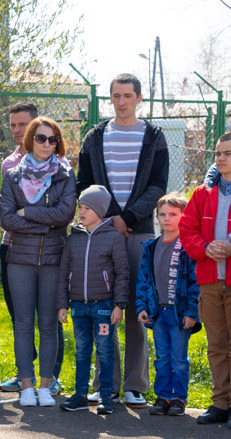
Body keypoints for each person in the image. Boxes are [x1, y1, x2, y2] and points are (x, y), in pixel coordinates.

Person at [76, 73, 169, 408]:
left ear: (139, 98)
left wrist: (127, 218)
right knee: (106, 309)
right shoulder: (95, 136)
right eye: (116, 96)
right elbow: (84, 183)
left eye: (128, 95)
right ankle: (107, 384)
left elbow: (159, 186)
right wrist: (111, 216)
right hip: (103, 232)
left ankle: (134, 385)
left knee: (136, 309)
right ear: (110, 98)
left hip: (139, 230)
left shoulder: (154, 137)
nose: (121, 101)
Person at [0, 116, 77, 408]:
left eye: (52, 139)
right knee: (23, 324)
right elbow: (6, 219)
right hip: (19, 260)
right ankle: (27, 386)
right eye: (41, 138)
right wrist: (46, 221)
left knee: (47, 325)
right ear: (30, 139)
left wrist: (26, 214)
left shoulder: (65, 175)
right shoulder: (13, 175)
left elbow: (64, 215)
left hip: (54, 259)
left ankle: (46, 386)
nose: (47, 144)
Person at [57, 186, 129, 415]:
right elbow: (63, 273)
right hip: (78, 306)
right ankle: (79, 395)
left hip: (104, 307)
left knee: (105, 350)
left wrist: (120, 305)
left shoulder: (114, 239)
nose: (82, 212)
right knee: (81, 350)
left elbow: (122, 273)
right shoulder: (73, 239)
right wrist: (62, 304)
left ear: (99, 210)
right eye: (81, 207)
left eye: (88, 208)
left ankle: (106, 396)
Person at [179, 132, 231, 425]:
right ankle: (220, 404)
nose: (221, 158)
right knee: (217, 345)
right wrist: (205, 248)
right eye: (217, 153)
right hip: (210, 280)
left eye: (227, 153)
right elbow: (187, 230)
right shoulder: (202, 193)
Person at [135, 194, 200, 416]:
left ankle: (179, 398)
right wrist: (142, 306)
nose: (167, 219)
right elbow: (143, 281)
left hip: (179, 313)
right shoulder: (151, 247)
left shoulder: (187, 248)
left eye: (173, 214)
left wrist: (192, 312)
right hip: (157, 311)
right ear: (156, 217)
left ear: (184, 216)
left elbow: (194, 282)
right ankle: (163, 397)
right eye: (162, 214)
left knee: (179, 358)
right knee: (162, 356)